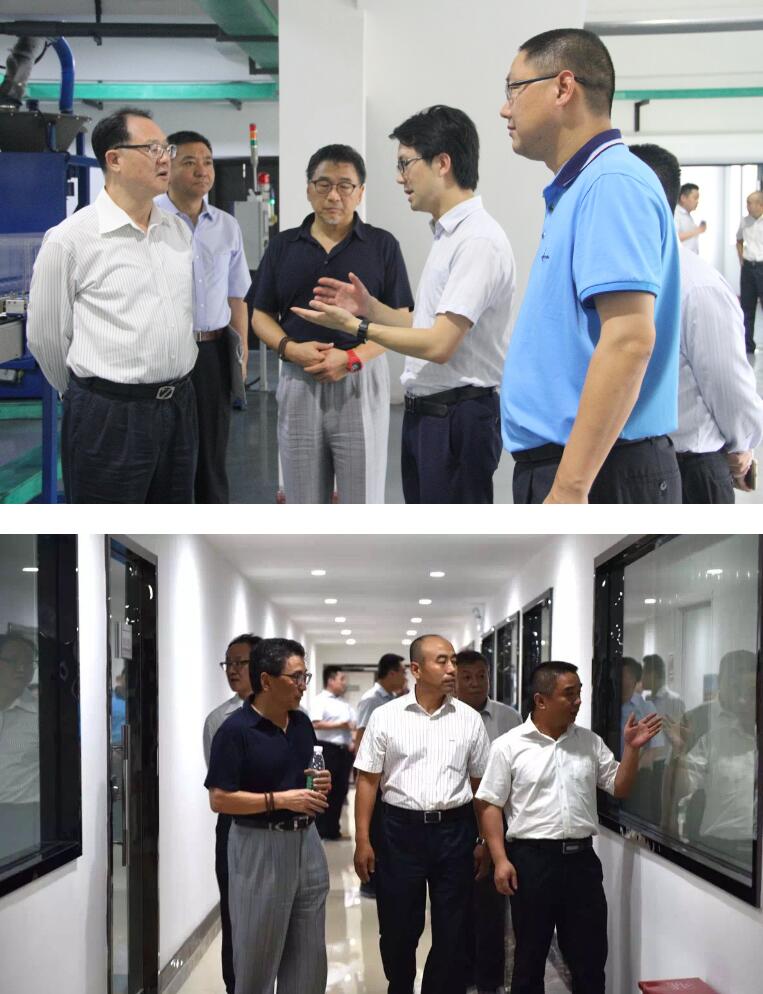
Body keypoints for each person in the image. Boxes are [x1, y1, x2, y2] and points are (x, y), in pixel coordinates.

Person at [295, 105, 516, 504]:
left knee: (453, 539)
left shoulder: (477, 241)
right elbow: (424, 325)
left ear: (442, 163)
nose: (399, 177)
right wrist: (370, 308)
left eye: (405, 164)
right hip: (431, 416)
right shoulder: (448, 235)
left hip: (456, 418)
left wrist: (357, 328)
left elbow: (439, 345)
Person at [499, 29, 681, 504]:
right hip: (582, 466)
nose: (504, 109)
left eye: (514, 89)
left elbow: (629, 340)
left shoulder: (611, 183)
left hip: (598, 473)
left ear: (563, 87)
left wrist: (569, 487)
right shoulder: (581, 187)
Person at [27, 106, 198, 503]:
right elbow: (45, 337)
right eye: (152, 148)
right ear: (114, 159)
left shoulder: (177, 231)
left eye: (167, 149)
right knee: (106, 530)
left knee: (172, 528)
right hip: (108, 415)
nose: (165, 158)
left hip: (179, 407)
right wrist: (87, 394)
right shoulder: (71, 239)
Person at [476, 661, 662, 994]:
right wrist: (500, 859)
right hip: (531, 862)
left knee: (590, 959)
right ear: (541, 700)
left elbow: (619, 787)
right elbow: (490, 804)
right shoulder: (508, 746)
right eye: (569, 694)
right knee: (529, 959)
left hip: (581, 863)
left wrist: (633, 750)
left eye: (579, 693)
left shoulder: (589, 742)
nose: (578, 701)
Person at [251, 143, 414, 503]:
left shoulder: (382, 246)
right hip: (298, 379)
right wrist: (290, 349)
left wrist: (352, 358)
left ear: (360, 192)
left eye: (345, 185)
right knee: (302, 500)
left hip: (359, 378)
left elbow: (402, 321)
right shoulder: (282, 246)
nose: (334, 196)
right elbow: (260, 315)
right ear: (309, 189)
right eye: (323, 185)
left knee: (362, 499)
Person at [354, 634, 491, 994]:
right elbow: (368, 781)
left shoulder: (469, 719)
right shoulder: (386, 717)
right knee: (398, 927)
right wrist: (362, 839)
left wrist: (483, 840)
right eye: (442, 661)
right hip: (399, 831)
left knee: (453, 928)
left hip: (455, 831)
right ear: (416, 669)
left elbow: (481, 786)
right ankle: (400, 985)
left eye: (453, 661)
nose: (452, 669)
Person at [630, 143, 763, 502]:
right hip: (629, 466)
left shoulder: (697, 286)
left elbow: (726, 382)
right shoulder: (612, 277)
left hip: (692, 468)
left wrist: (741, 443)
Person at [204, 638, 331, 994]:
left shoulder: (301, 723)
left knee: (309, 962)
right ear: (266, 681)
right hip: (259, 846)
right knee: (257, 961)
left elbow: (305, 776)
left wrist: (321, 781)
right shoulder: (235, 731)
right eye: (296, 677)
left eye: (305, 676)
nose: (303, 685)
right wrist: (280, 800)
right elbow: (220, 799)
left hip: (307, 842)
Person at [157, 130, 251, 503]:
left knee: (212, 453)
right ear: (167, 167)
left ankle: (212, 523)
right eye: (190, 162)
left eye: (207, 162)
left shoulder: (226, 226)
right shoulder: (149, 219)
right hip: (164, 353)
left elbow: (236, 296)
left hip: (213, 353)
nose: (202, 171)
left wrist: (241, 355)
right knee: (168, 452)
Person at [455, 649, 521, 994]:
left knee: (492, 904)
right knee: (456, 901)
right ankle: (461, 973)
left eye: (481, 676)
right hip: (456, 817)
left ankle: (489, 980)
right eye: (466, 677)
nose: (475, 683)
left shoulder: (508, 717)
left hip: (496, 816)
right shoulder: (446, 717)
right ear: (454, 680)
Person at [202, 633, 260, 994]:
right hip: (234, 825)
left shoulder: (292, 714)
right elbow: (221, 785)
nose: (233, 670)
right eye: (228, 663)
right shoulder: (219, 720)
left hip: (281, 827)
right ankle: (235, 985)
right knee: (234, 914)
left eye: (241, 663)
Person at [354, 652, 407, 898]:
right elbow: (361, 737)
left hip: (388, 776)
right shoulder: (372, 700)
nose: (405, 677)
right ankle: (370, 882)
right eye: (403, 672)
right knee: (374, 829)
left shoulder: (393, 699)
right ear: (392, 672)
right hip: (374, 775)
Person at [0, 634, 39, 862]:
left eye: (28, 662)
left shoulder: (40, 718)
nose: (22, 668)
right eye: (13, 660)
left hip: (22, 815)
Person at [310, 665, 356, 839]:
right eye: (341, 679)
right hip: (327, 750)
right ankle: (320, 830)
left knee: (340, 790)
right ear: (330, 680)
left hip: (344, 752)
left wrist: (353, 741)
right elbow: (315, 724)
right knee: (324, 790)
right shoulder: (320, 700)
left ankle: (333, 830)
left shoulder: (344, 703)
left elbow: (353, 726)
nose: (344, 683)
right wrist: (340, 725)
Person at [737, 190, 763, 357]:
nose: (747, 206)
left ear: (760, 205)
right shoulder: (744, 221)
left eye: (750, 203)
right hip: (748, 268)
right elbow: (739, 240)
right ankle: (748, 345)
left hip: (762, 266)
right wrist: (741, 258)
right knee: (747, 307)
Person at [675, 183, 706, 254]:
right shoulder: (676, 214)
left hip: (691, 257)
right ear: (683, 198)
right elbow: (675, 237)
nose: (697, 201)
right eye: (695, 198)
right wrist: (698, 230)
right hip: (683, 258)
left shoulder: (687, 215)